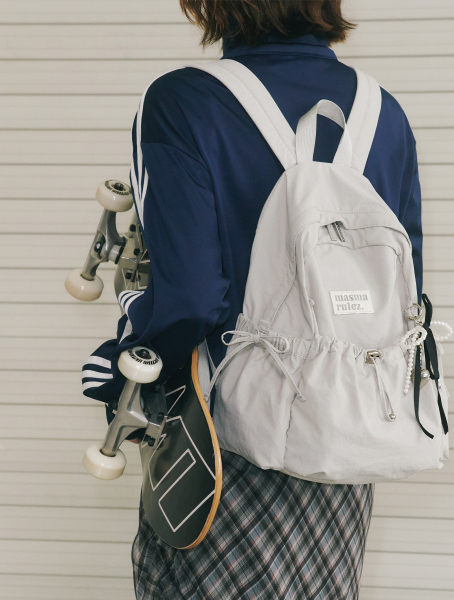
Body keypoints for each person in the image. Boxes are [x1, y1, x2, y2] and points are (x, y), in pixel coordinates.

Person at [83, 1, 423, 597]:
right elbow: (405, 296)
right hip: (345, 438)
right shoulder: (383, 112)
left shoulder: (183, 102)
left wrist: (124, 366)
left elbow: (190, 297)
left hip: (225, 445)